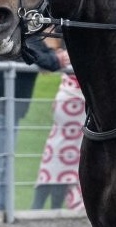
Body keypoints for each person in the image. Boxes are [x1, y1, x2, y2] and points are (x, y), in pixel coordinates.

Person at [0, 36, 69, 211]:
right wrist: (55, 60)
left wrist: (52, 58)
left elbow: (41, 52)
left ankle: (3, 211)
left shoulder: (29, 37)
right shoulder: (18, 34)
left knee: (5, 164)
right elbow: (35, 55)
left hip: (9, 108)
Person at [31, 71, 86, 215]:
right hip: (63, 136)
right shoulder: (72, 84)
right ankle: (45, 210)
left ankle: (46, 209)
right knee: (60, 165)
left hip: (71, 140)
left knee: (60, 167)